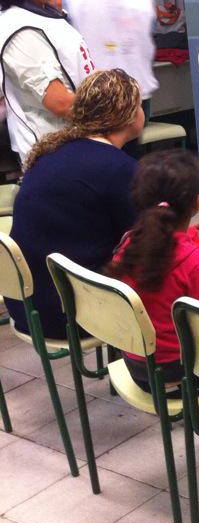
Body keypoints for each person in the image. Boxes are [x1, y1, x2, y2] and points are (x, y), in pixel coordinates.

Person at [2, 69, 143, 338]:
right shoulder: (120, 169)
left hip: (28, 307)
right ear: (128, 115)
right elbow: (147, 244)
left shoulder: (50, 153)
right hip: (74, 314)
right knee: (172, 267)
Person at [107, 149, 199, 393]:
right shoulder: (197, 262)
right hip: (181, 374)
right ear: (197, 202)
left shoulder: (129, 242)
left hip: (136, 366)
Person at [0, 0, 96, 163]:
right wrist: (115, 113)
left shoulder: (44, 15)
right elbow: (60, 102)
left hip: (76, 145)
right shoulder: (19, 29)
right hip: (54, 157)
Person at [62, 0, 159, 118]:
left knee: (100, 148)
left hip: (95, 98)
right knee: (128, 148)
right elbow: (149, 34)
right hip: (137, 97)